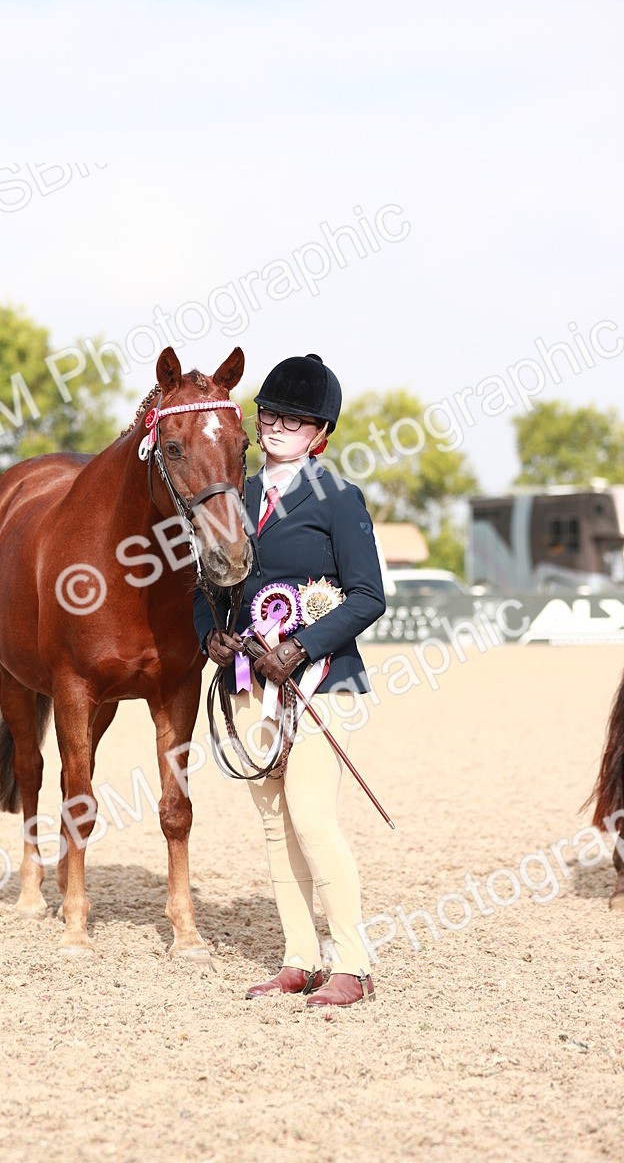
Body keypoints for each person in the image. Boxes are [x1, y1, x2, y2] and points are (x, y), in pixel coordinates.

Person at [193, 352, 386, 1008]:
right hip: (250, 679)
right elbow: (208, 584)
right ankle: (300, 958)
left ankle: (353, 964)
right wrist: (210, 635)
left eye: (295, 418)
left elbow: (367, 596)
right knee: (274, 823)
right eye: (270, 413)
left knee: (310, 816)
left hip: (323, 679)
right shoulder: (234, 496)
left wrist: (301, 646)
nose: (277, 425)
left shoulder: (340, 499)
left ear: (319, 432)